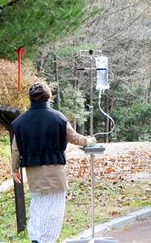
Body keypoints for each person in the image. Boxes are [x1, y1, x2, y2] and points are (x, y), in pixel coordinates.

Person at [11, 82, 96, 243]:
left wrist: (15, 169)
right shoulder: (58, 117)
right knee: (54, 211)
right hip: (55, 172)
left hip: (33, 173)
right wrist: (90, 140)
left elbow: (16, 149)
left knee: (37, 206)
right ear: (48, 96)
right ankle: (45, 240)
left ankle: (36, 238)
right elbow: (75, 138)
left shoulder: (20, 121)